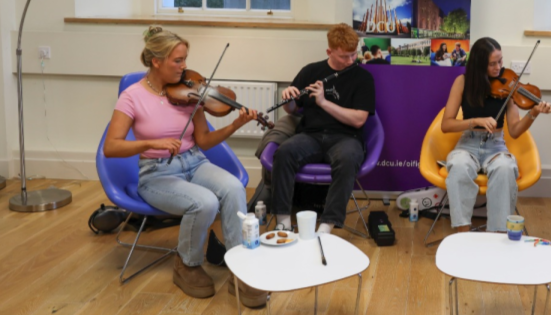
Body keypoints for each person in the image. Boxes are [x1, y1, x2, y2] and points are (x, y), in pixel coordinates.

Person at [103, 26, 267, 308]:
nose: (184, 67)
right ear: (157, 61)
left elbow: (203, 139)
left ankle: (239, 267)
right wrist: (151, 143)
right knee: (204, 203)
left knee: (232, 187)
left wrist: (234, 125)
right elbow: (111, 146)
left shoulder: (188, 93)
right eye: (177, 61)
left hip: (195, 162)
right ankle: (186, 264)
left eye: (185, 59)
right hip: (157, 172)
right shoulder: (131, 96)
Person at [271, 23, 376, 234]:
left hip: (346, 137)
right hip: (311, 135)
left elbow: (359, 120)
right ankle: (282, 220)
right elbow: (291, 110)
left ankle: (327, 226)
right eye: (344, 56)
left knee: (347, 159)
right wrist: (288, 98)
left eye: (353, 55)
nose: (350, 61)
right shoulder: (311, 71)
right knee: (283, 153)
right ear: (329, 51)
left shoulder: (363, 78)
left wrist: (324, 102)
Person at [440, 37, 551, 232]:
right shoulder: (462, 82)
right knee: (459, 166)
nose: (499, 68)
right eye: (492, 64)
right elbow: (446, 124)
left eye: (500, 61)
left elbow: (515, 130)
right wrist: (475, 121)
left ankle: (497, 236)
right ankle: (463, 234)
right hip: (468, 144)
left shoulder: (508, 87)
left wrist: (533, 113)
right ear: (478, 64)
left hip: (496, 146)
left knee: (505, 167)